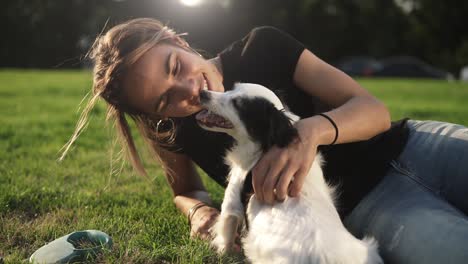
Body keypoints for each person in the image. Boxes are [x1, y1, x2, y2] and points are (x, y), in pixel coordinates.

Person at [62, 18, 468, 263]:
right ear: (155, 115)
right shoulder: (175, 130)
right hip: (372, 209)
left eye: (175, 65)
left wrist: (309, 133)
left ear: (178, 40)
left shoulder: (262, 46)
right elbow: (185, 191)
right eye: (164, 100)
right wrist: (199, 214)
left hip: (417, 144)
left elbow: (373, 111)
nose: (187, 89)